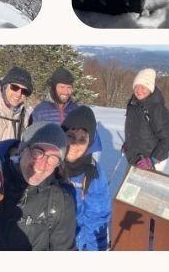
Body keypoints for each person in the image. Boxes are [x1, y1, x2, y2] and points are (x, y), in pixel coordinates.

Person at [0, 122, 76, 250]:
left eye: (53, 158)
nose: (41, 165)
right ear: (23, 149)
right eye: (37, 152)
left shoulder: (61, 202)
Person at [61, 106, 111, 251]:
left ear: (90, 144)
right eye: (70, 136)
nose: (74, 145)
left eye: (82, 139)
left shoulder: (93, 174)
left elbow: (97, 220)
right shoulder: (50, 163)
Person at [123, 69, 169, 171]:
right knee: (131, 186)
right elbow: (136, 130)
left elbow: (167, 140)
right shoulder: (133, 104)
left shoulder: (157, 109)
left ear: (150, 88)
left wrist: (153, 160)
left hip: (151, 162)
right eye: (136, 86)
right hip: (135, 158)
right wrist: (128, 144)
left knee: (145, 187)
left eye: (143, 87)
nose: (139, 90)